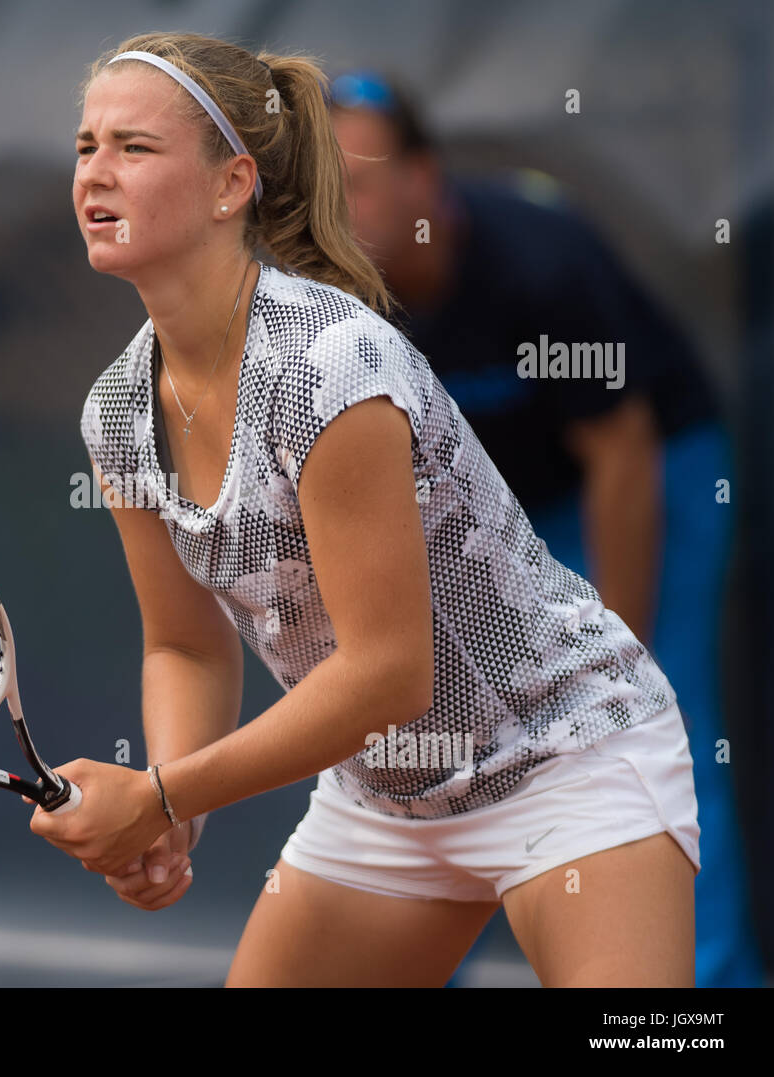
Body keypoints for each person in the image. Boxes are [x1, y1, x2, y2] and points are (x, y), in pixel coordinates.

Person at [28, 31, 700, 988]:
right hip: (385, 802)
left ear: (232, 186)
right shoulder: (116, 414)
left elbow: (389, 674)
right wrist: (173, 813)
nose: (97, 172)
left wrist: (160, 791)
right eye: (87, 146)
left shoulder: (328, 364)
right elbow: (186, 644)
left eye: (135, 148)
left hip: (566, 755)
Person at [327, 69, 763, 988]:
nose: (338, 205)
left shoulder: (541, 261)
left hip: (648, 469)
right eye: (321, 185)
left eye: (358, 179)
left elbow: (620, 454)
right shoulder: (334, 300)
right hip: (496, 503)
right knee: (435, 732)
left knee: (654, 721)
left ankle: (704, 987)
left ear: (423, 179)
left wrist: (620, 663)